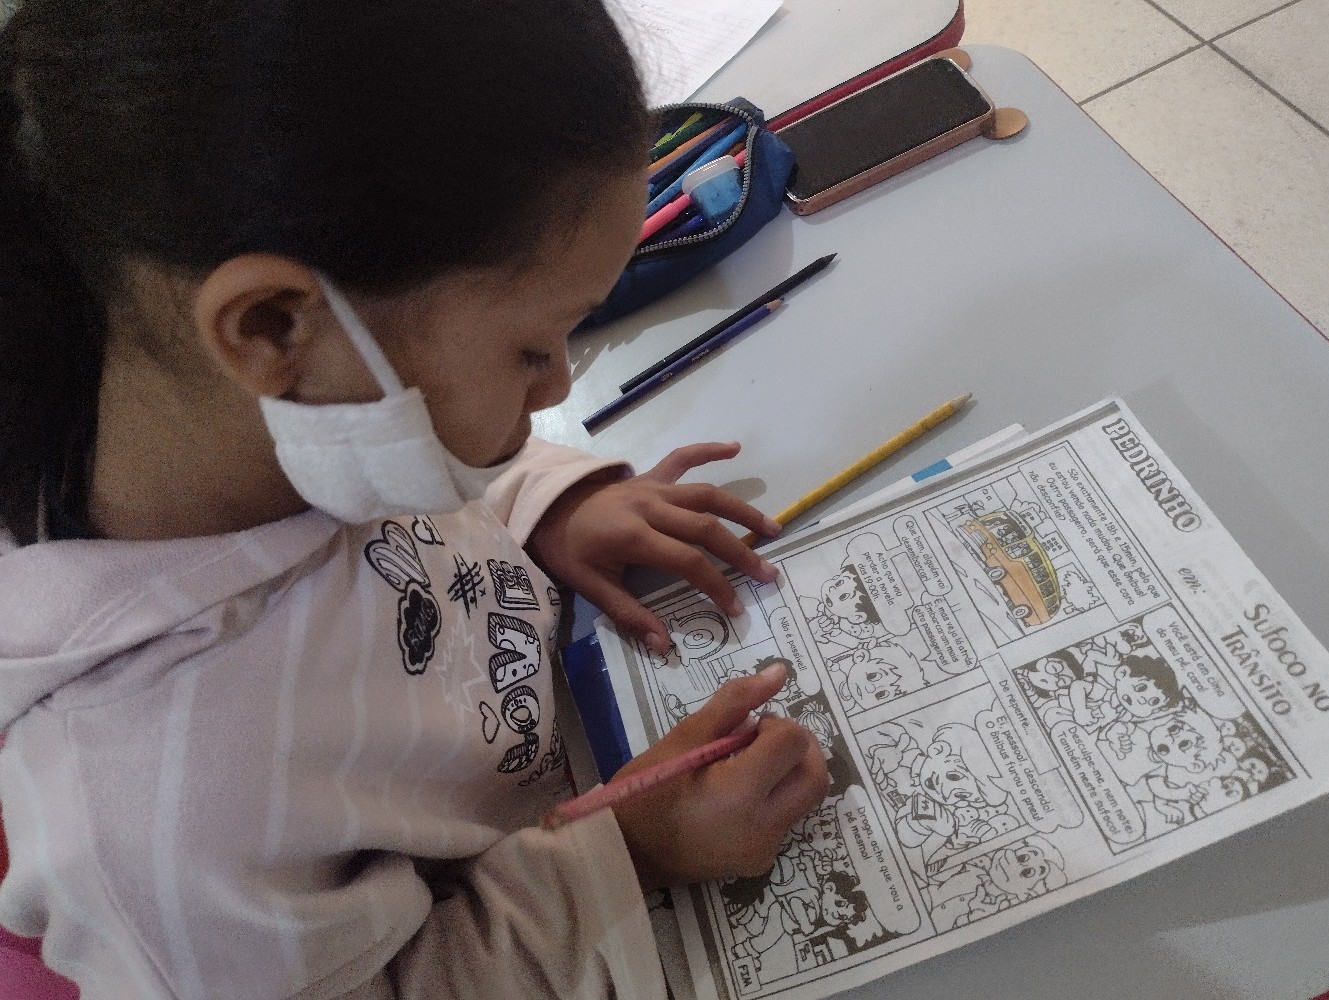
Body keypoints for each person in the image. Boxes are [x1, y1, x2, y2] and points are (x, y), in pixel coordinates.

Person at [0, 2, 830, 997]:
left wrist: (549, 507)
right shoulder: (159, 830)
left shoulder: (256, 424)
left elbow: (410, 449)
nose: (558, 389)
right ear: (271, 327)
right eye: (532, 349)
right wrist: (633, 853)